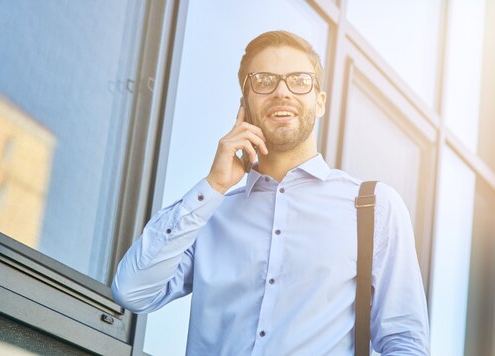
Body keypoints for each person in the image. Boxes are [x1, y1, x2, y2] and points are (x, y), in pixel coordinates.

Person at [112, 30, 429, 355]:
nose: (282, 92)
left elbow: (405, 341)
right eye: (264, 81)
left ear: (319, 103)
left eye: (299, 81)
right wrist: (214, 185)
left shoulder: (373, 208)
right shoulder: (208, 214)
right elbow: (133, 292)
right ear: (244, 106)